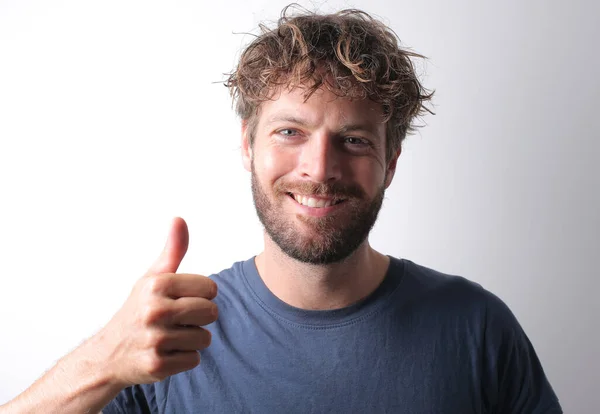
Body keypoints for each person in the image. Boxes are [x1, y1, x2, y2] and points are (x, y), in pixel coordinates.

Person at [1, 6, 562, 414]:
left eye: (355, 140)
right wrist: (103, 359)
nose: (319, 169)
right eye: (290, 131)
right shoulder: (168, 334)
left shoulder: (477, 327)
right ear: (248, 145)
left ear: (391, 162)